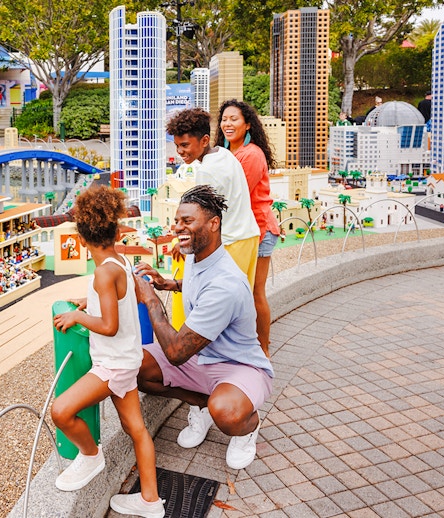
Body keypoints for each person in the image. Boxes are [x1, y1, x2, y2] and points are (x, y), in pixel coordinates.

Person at [134, 185, 274, 470]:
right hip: (203, 360)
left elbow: (175, 352)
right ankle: (203, 405)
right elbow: (199, 285)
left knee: (227, 413)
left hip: (239, 366)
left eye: (187, 221)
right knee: (136, 367)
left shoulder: (226, 285)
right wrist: (170, 284)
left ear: (213, 223)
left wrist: (150, 298)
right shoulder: (197, 255)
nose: (177, 227)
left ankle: (247, 427)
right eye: (177, 220)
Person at [52, 184, 164, 517]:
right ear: (115, 230)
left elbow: (109, 325)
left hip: (113, 365)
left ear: (82, 239)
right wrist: (93, 301)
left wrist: (77, 315)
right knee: (137, 430)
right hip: (128, 361)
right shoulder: (118, 262)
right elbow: (118, 298)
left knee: (61, 411)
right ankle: (150, 501)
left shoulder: (102, 272)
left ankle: (90, 455)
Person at [167, 108, 260, 289]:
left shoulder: (206, 171)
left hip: (231, 243)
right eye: (177, 145)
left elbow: (204, 219)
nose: (179, 151)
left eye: (185, 145)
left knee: (223, 303)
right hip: (248, 237)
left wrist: (185, 242)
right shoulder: (224, 154)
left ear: (204, 140)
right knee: (243, 299)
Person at [217, 99, 281, 357]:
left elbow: (231, 196)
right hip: (242, 232)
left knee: (255, 293)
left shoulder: (251, 154)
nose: (227, 124)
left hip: (259, 230)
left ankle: (263, 349)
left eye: (234, 119)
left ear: (247, 124)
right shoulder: (227, 154)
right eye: (224, 119)